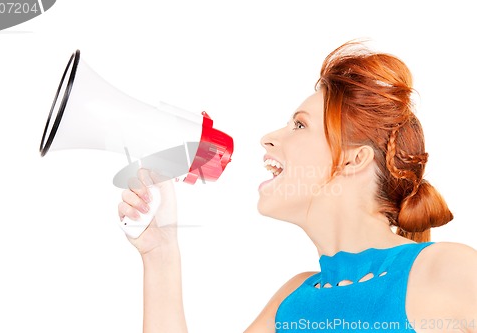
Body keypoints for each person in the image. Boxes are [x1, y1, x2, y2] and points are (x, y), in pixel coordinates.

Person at [118, 41, 477, 333]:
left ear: (354, 160)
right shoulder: (290, 304)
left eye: (300, 126)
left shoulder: (445, 270)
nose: (268, 138)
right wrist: (160, 253)